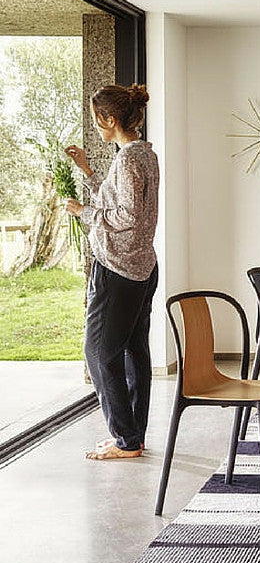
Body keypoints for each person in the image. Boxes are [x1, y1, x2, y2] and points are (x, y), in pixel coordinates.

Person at [64, 84, 159, 461]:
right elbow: (119, 200)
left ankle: (125, 440)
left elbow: (127, 216)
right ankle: (133, 437)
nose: (96, 126)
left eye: (97, 120)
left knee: (100, 353)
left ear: (110, 120)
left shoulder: (128, 160)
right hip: (141, 267)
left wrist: (82, 212)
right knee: (134, 351)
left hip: (118, 270)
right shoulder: (143, 154)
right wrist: (87, 171)